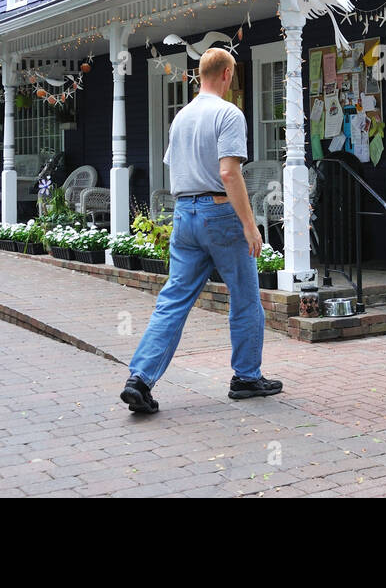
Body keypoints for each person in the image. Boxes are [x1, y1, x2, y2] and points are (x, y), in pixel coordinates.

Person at [120, 47, 282, 413]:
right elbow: (228, 172)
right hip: (219, 213)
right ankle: (246, 377)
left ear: (199, 74)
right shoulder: (228, 113)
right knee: (244, 296)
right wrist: (249, 225)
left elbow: (174, 166)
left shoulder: (181, 117)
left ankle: (140, 379)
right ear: (226, 75)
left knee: (173, 299)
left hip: (184, 213)